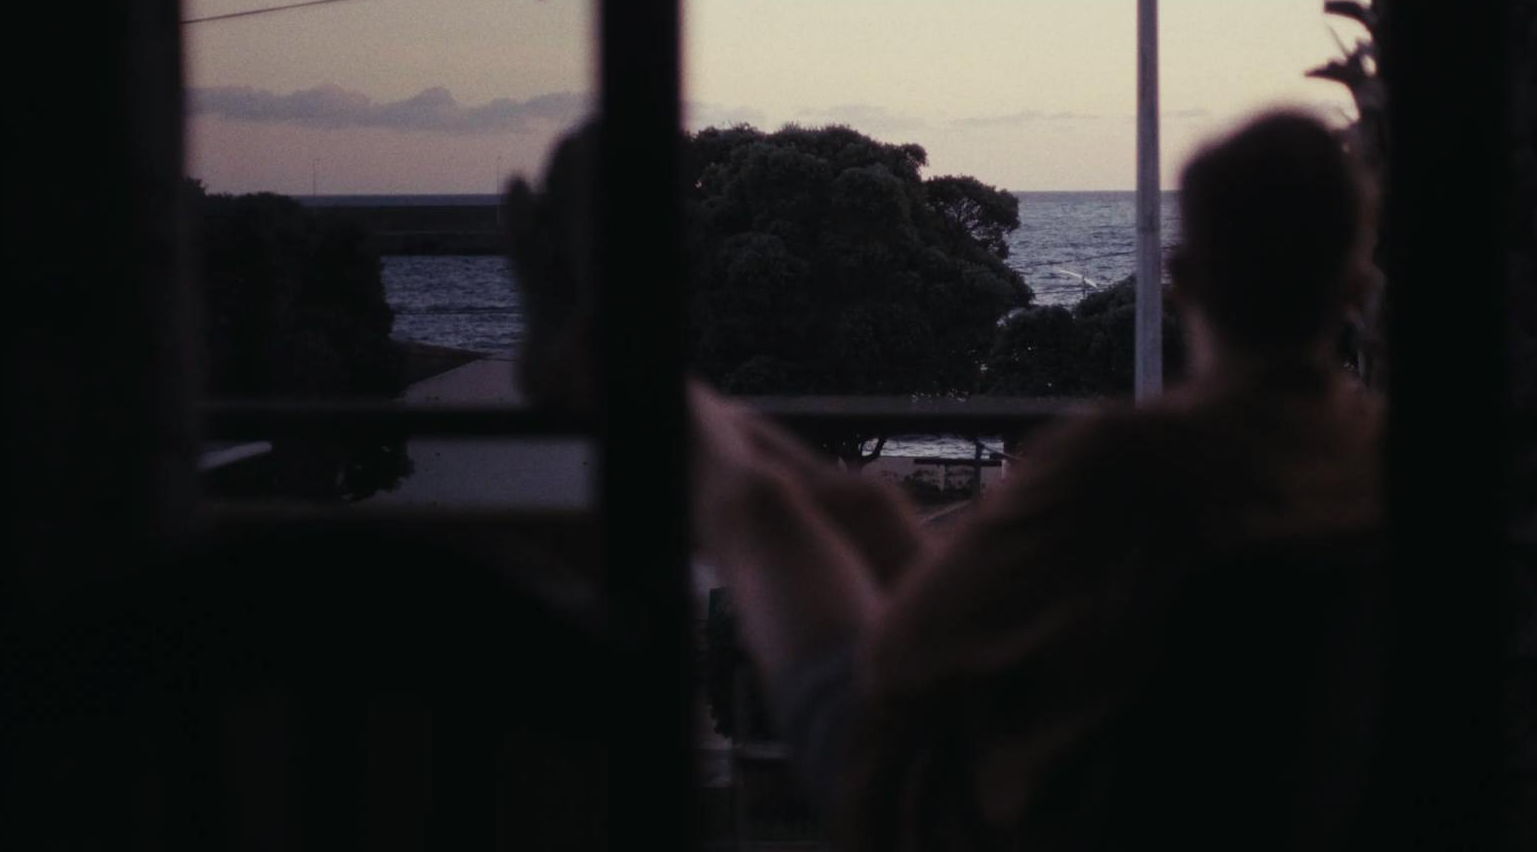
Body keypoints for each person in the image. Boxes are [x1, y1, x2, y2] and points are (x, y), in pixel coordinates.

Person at [515, 110, 1386, 850]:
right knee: (862, 504)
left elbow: (902, 662)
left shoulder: (1130, 465)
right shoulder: (1377, 457)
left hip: (966, 807)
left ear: (1185, 276)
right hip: (1168, 785)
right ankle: (653, 373)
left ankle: (607, 363)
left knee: (759, 510)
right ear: (1354, 279)